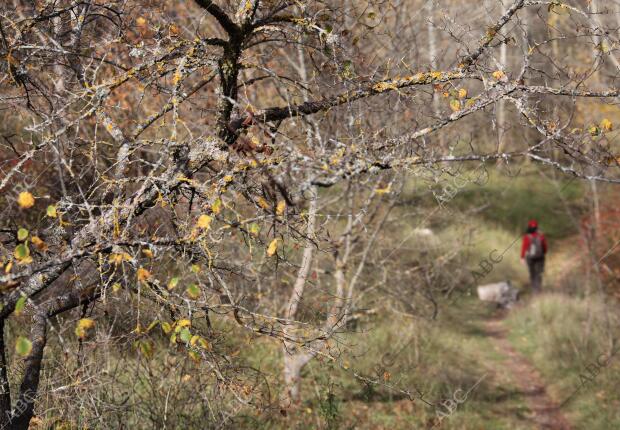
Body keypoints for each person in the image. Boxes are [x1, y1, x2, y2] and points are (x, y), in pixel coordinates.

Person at [520, 219, 547, 292]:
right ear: (537, 227)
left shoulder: (527, 236)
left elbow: (524, 248)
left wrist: (522, 258)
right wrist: (543, 253)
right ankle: (539, 289)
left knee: (532, 274)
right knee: (539, 274)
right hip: (540, 258)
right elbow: (545, 247)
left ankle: (534, 290)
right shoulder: (541, 235)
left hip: (530, 258)